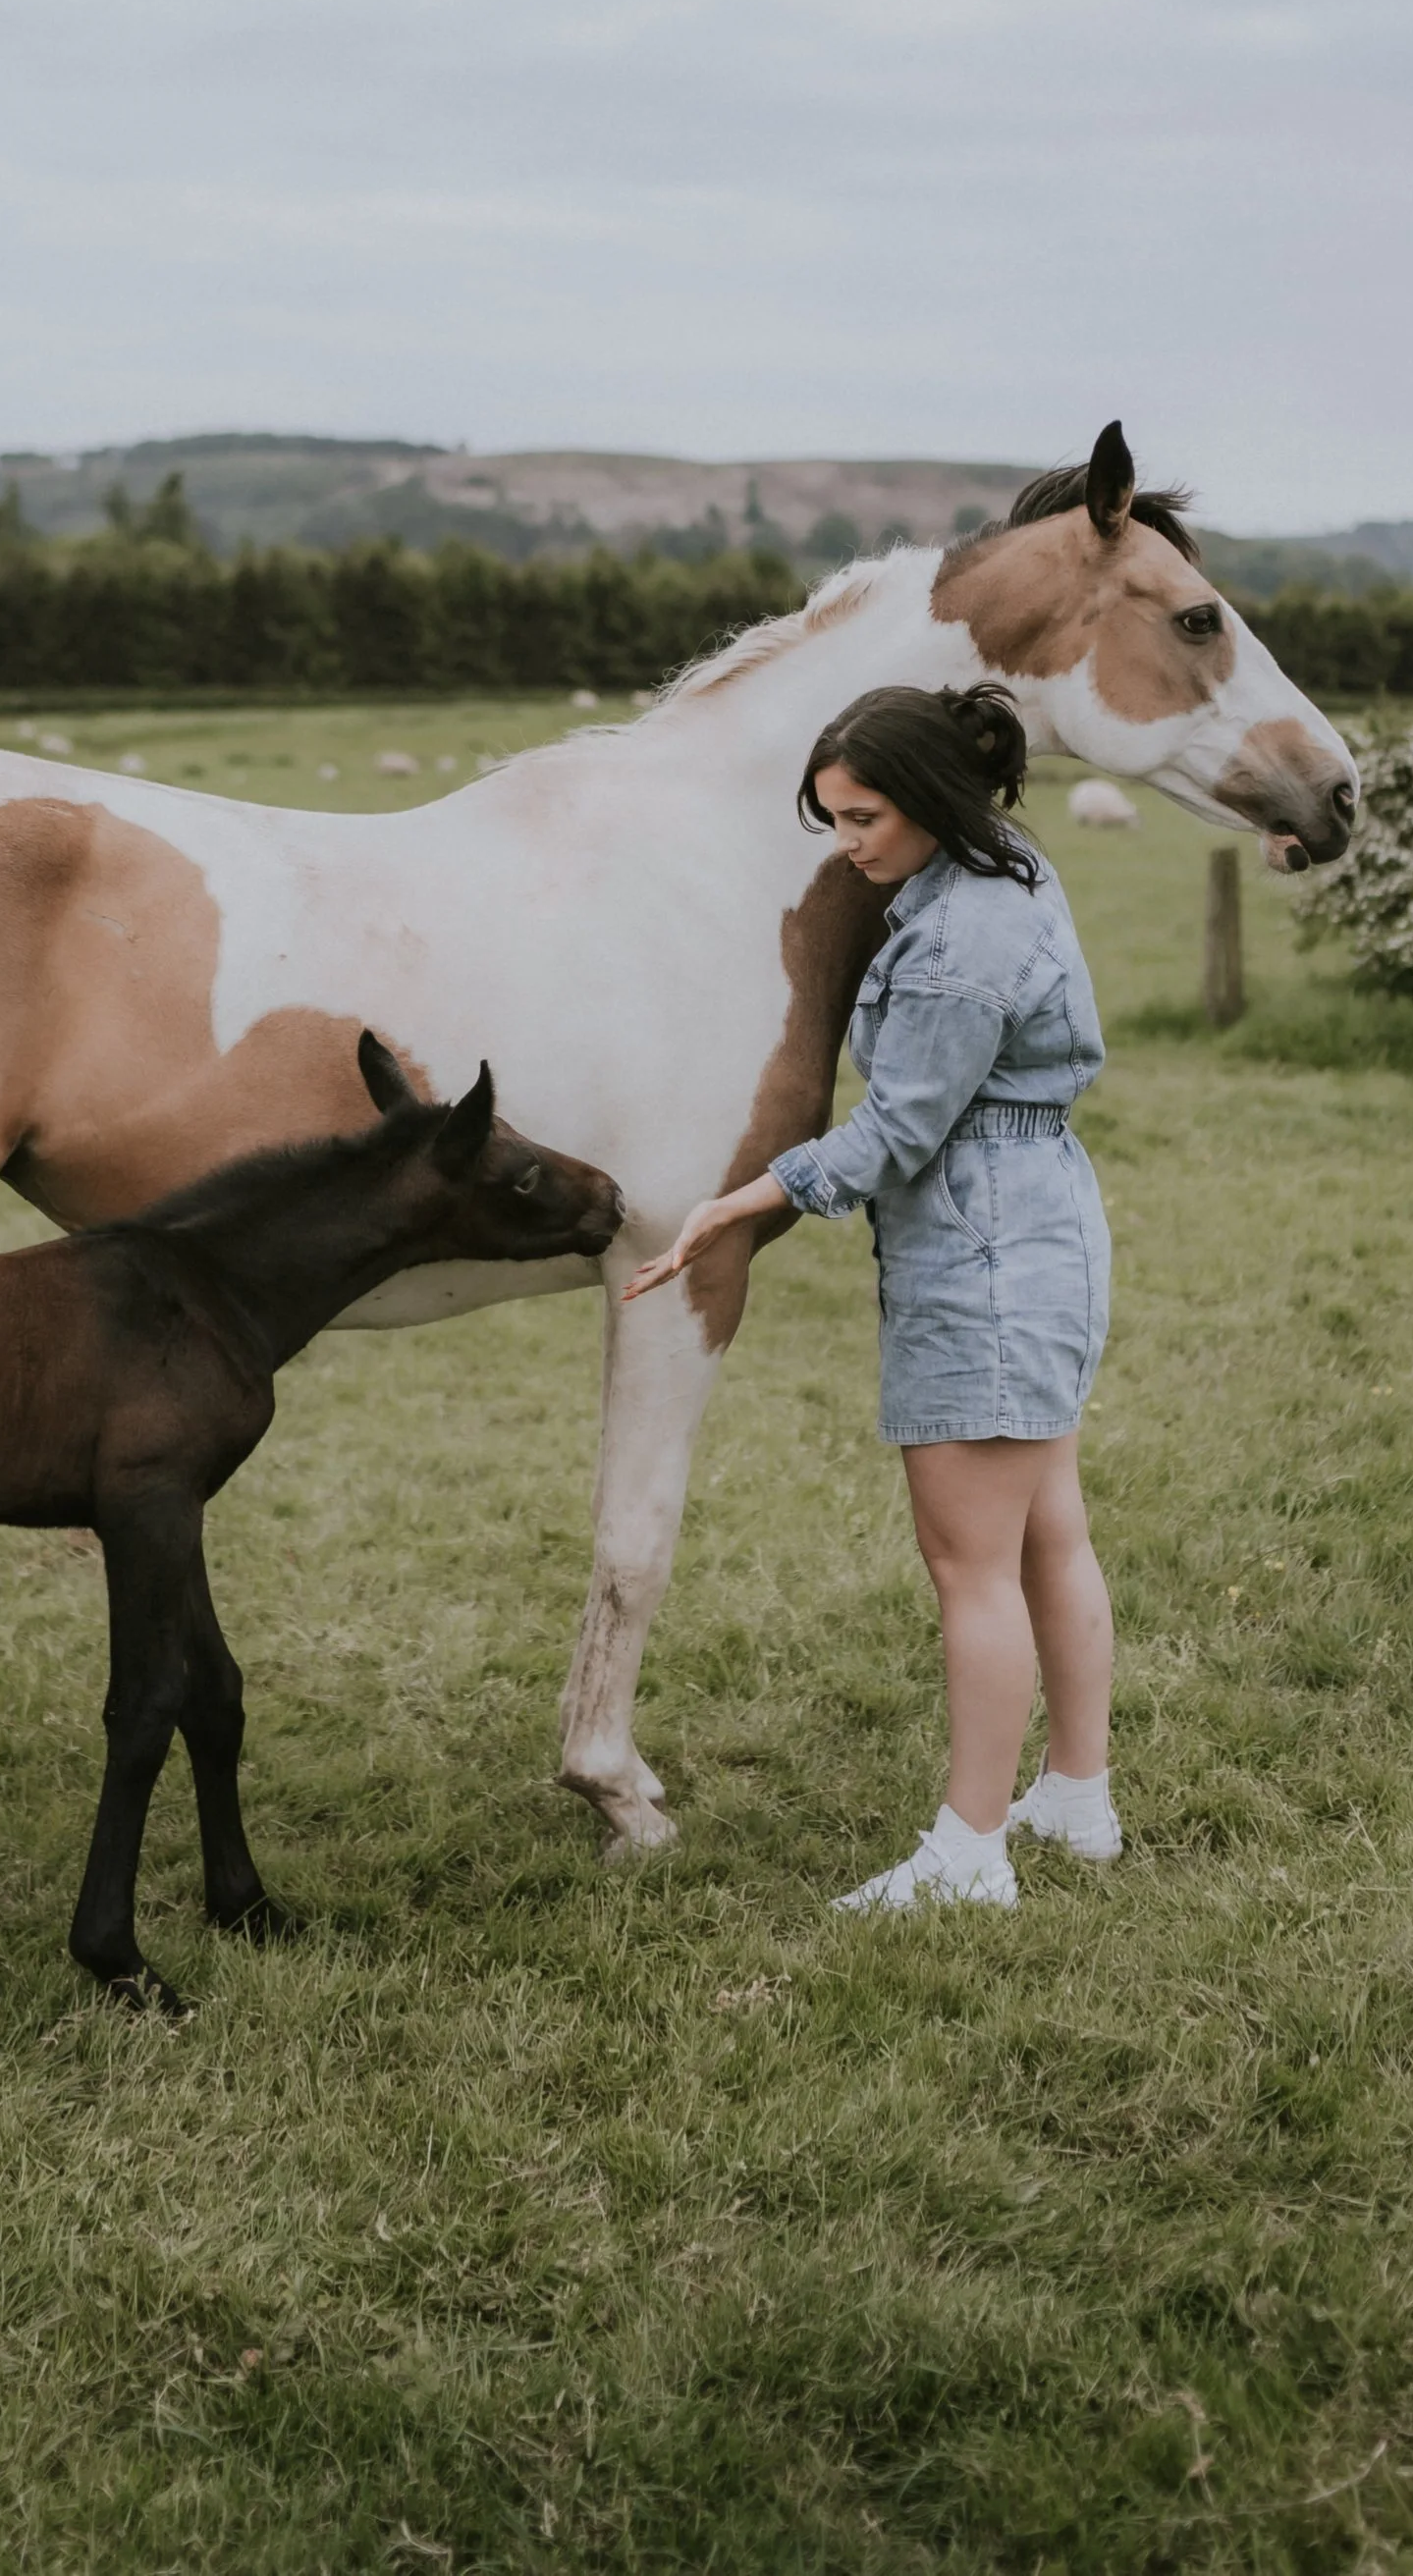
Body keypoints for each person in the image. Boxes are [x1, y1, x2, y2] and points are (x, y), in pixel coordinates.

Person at [623, 682, 1120, 1912]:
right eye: (834, 819)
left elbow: (898, 1132)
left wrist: (737, 1204)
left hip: (985, 1255)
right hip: (1036, 1227)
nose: (845, 845)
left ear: (930, 798)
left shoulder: (954, 943)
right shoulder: (1004, 872)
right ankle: (1075, 1796)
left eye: (862, 817)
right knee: (1046, 1530)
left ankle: (968, 1852)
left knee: (969, 1563)